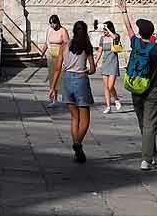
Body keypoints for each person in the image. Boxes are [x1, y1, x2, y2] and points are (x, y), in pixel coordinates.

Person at [119, 1, 157, 170]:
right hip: (152, 89)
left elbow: (128, 28)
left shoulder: (134, 42)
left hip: (135, 87)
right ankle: (147, 159)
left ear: (140, 32)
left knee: (143, 122)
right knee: (150, 124)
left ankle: (150, 153)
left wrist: (124, 11)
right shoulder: (156, 47)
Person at [61, 21, 99, 163]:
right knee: (85, 119)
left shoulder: (66, 45)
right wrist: (87, 71)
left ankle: (78, 152)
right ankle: (77, 144)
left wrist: (53, 87)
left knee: (74, 118)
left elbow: (61, 64)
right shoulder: (86, 46)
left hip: (67, 80)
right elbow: (93, 68)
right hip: (80, 80)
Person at [39, 15, 70, 108]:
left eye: (54, 23)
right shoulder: (49, 30)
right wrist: (42, 54)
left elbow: (67, 44)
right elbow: (46, 43)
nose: (52, 25)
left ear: (58, 22)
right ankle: (54, 99)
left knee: (62, 77)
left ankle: (67, 98)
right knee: (52, 77)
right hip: (51, 56)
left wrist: (67, 58)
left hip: (61, 55)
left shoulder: (63, 31)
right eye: (51, 23)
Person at [98, 21, 124, 113]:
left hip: (113, 63)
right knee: (106, 87)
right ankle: (108, 107)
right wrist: (96, 62)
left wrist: (108, 30)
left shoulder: (115, 36)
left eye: (105, 29)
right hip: (105, 64)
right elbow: (99, 51)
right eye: (103, 29)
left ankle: (116, 99)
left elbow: (115, 38)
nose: (104, 31)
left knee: (110, 86)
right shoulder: (102, 38)